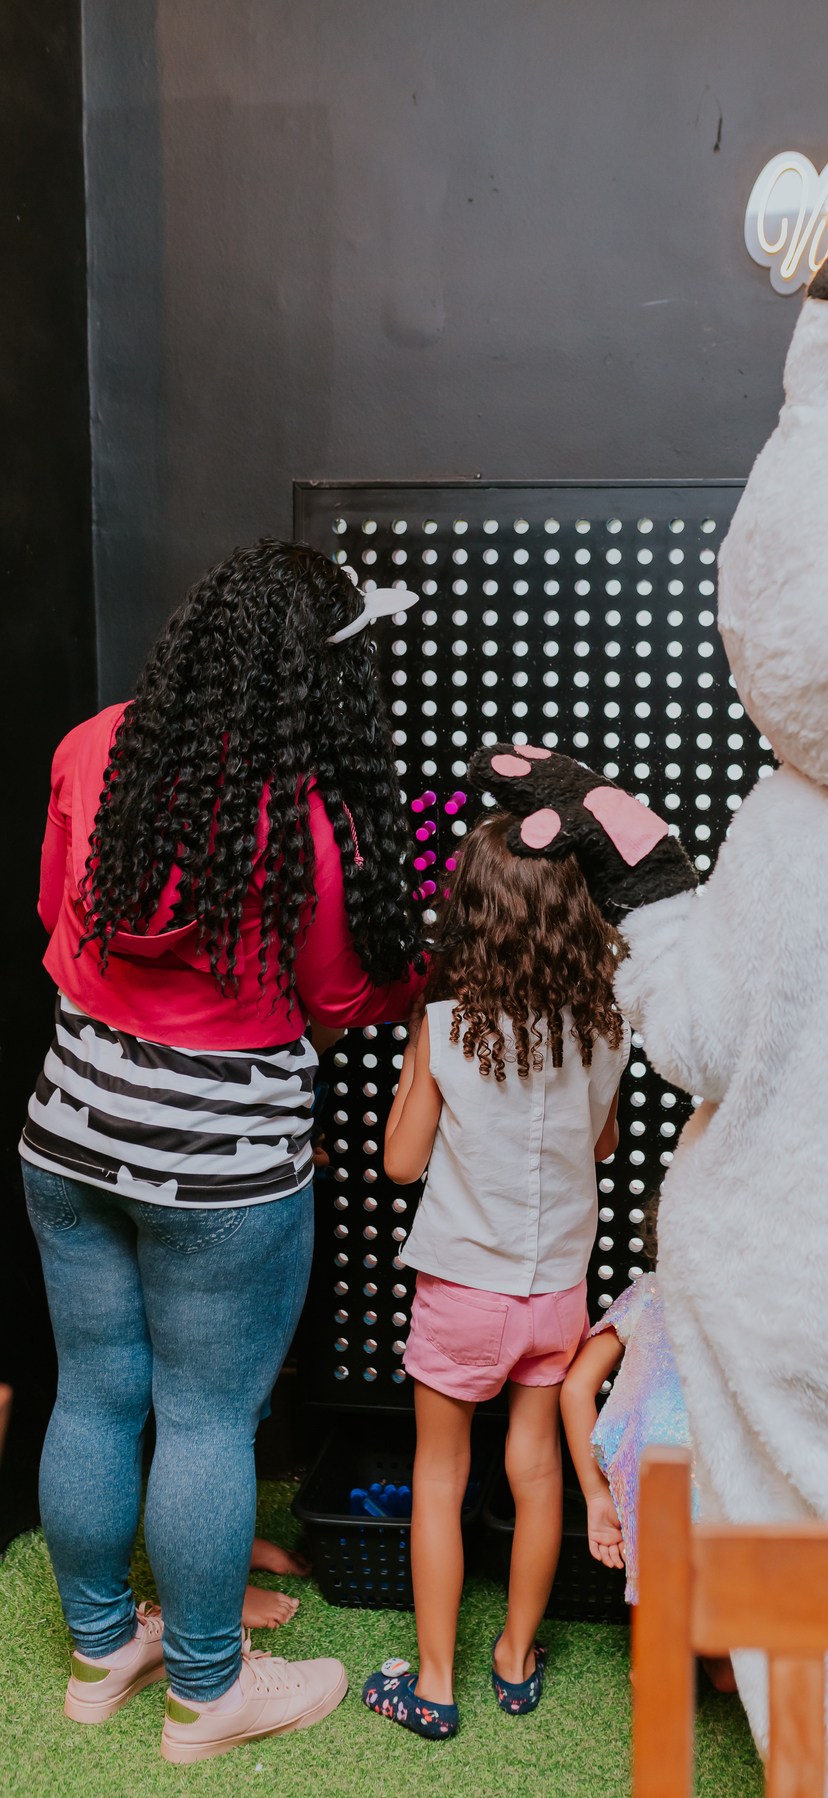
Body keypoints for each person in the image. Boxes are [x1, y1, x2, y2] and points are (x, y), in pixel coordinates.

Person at [22, 539, 425, 1764]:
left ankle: (103, 1652)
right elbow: (344, 997)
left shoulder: (94, 746)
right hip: (221, 1175)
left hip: (69, 1133)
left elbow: (56, 914)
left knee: (92, 1392)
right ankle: (208, 1693)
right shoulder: (307, 820)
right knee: (204, 1422)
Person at [368, 813, 627, 1738]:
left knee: (440, 1478)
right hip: (555, 1294)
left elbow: (401, 1163)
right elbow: (601, 1145)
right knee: (539, 1471)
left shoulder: (445, 1026)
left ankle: (434, 1687)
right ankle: (516, 1661)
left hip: (462, 1294)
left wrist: (416, 1063)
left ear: (472, 910)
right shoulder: (604, 1027)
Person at [559, 1195, 735, 1693]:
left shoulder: (650, 1292)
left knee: (684, 1657)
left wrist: (596, 1494)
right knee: (721, 1671)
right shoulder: (757, 1311)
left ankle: (676, 1652)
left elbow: (575, 1390)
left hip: (657, 1490)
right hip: (713, 1496)